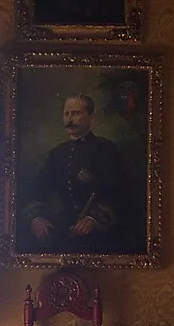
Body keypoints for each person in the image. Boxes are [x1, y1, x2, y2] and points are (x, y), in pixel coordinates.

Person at [22, 93, 131, 253]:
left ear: (91, 117)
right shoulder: (58, 153)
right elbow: (38, 189)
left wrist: (94, 219)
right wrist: (36, 218)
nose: (70, 119)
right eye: (66, 114)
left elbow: (120, 193)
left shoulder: (106, 150)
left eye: (76, 113)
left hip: (101, 234)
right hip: (65, 228)